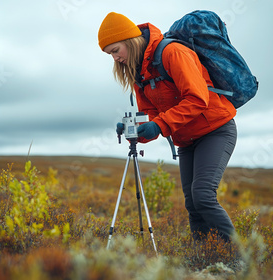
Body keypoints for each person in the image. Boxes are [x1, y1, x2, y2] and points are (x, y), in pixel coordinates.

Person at [98, 12, 237, 242]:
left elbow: (197, 98)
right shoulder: (139, 73)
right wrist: (134, 131)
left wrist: (159, 125)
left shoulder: (173, 53)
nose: (114, 58)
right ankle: (203, 260)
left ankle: (241, 258)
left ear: (130, 41)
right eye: (109, 54)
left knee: (202, 196)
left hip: (216, 130)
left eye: (115, 50)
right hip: (186, 139)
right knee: (192, 204)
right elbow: (151, 115)